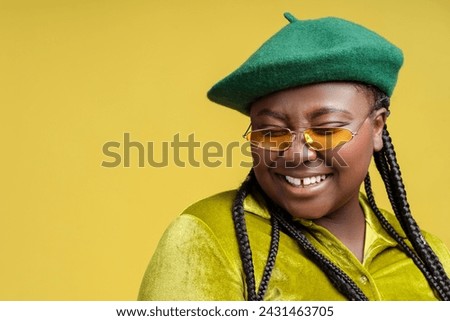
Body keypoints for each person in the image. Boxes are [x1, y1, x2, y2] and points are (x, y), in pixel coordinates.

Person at [138, 12, 450, 301]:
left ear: (377, 127)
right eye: (271, 132)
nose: (296, 153)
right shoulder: (208, 237)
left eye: (327, 129)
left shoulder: (429, 256)